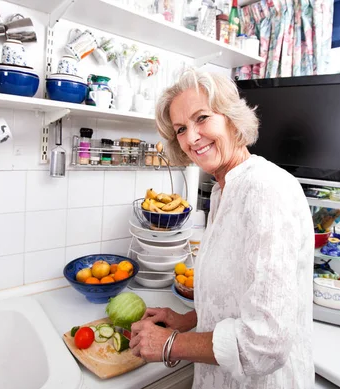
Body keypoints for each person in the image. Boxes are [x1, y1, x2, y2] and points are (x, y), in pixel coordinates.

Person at [129, 68, 315, 388]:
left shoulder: (266, 189)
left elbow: (266, 342)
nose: (190, 137)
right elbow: (234, 296)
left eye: (201, 118)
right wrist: (186, 320)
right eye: (181, 129)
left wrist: (171, 343)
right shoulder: (222, 190)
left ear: (230, 118)